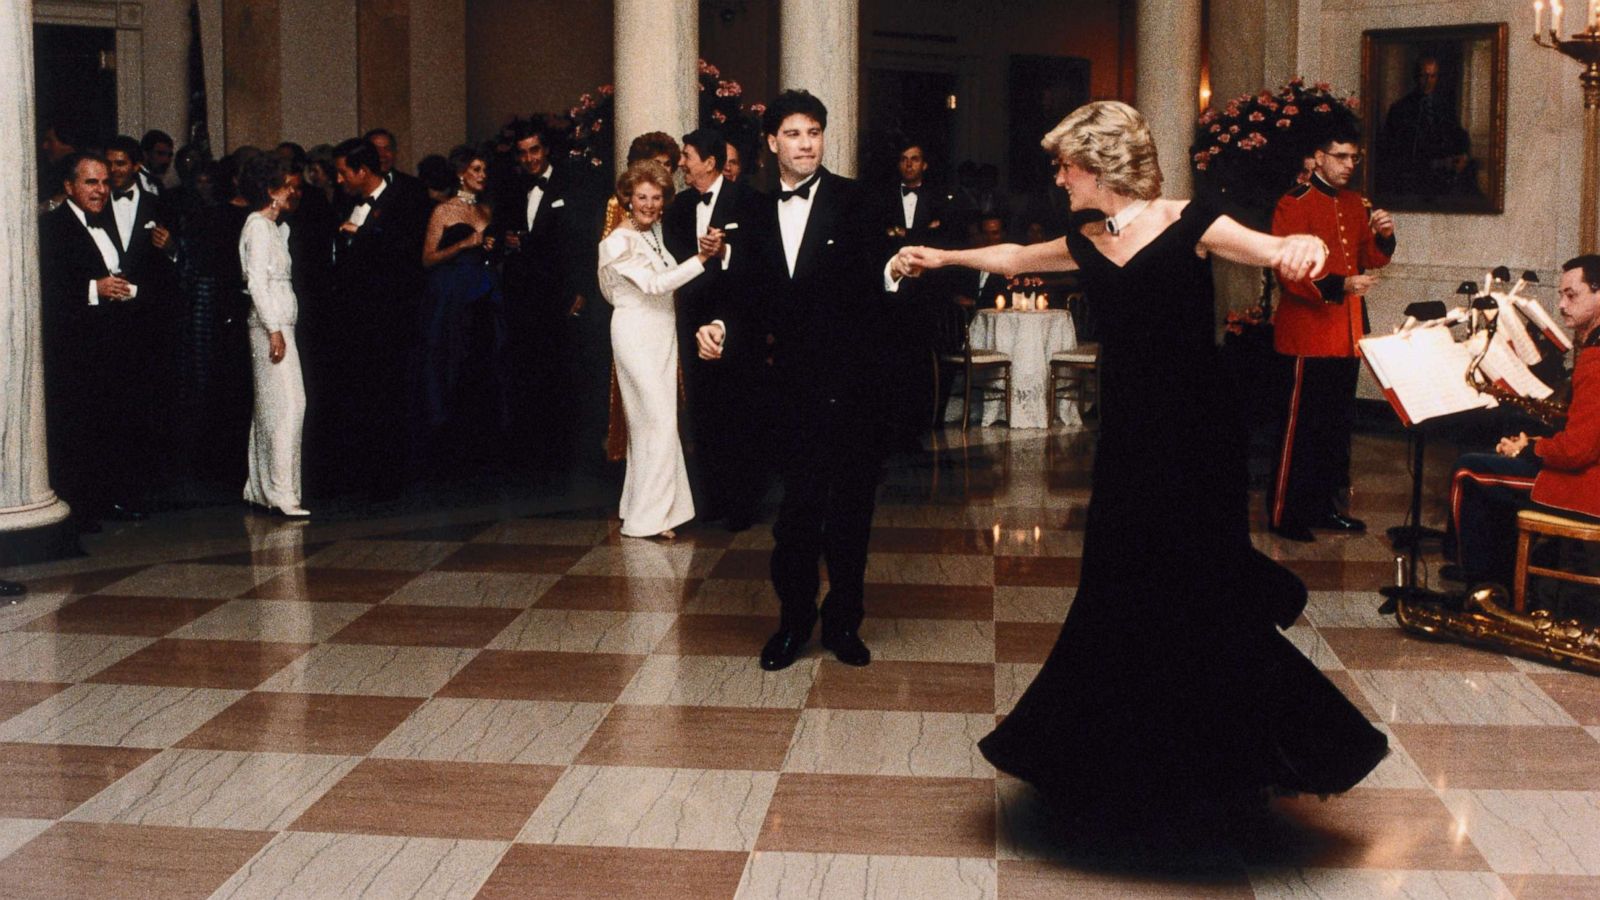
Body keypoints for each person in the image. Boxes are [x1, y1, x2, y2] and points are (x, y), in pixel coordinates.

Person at [900, 100, 1387, 819]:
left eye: (1065, 165)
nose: (1059, 178)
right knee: (1119, 584)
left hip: (1196, 434)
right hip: (1128, 437)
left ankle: (1223, 752)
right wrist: (941, 257)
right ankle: (1120, 755)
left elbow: (1269, 247)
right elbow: (1011, 258)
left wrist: (1303, 250)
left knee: (1197, 584)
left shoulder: (1191, 220)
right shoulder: (1085, 236)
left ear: (1097, 164)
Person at [694, 89, 907, 671]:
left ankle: (844, 623)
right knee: (795, 517)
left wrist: (892, 272)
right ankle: (792, 623)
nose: (805, 143)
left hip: (852, 387)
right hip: (785, 390)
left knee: (849, 512)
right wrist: (718, 326)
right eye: (793, 133)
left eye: (813, 131)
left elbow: (878, 279)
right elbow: (743, 301)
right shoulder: (754, 213)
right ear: (771, 142)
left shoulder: (857, 201)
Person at [1268, 125, 1396, 542]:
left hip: (1346, 332)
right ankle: (1284, 514)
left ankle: (1323, 507)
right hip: (1307, 332)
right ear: (1318, 157)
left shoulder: (1355, 203)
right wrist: (1339, 285)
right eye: (1341, 156)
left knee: (1333, 429)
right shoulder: (1294, 202)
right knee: (1299, 429)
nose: (1349, 165)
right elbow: (1288, 269)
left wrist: (1385, 236)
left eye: (1353, 158)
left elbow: (1369, 257)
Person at [1446, 255, 1600, 586]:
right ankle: (1507, 580)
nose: (1561, 304)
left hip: (1591, 486)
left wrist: (1530, 449)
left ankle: (1484, 590)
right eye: (1561, 294)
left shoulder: (1597, 358)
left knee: (1469, 471)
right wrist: (1530, 444)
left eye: (1572, 295)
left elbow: (1578, 451)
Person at [600, 160, 723, 538]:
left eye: (656, 197)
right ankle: (647, 520)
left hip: (660, 334)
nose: (650, 204)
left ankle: (651, 510)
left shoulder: (652, 233)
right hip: (636, 334)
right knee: (654, 421)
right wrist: (702, 259)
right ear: (627, 197)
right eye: (642, 197)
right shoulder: (617, 241)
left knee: (655, 422)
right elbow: (655, 285)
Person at [664, 126, 770, 530]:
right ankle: (713, 499)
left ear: (709, 163)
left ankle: (745, 503)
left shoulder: (751, 202)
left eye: (687, 156)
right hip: (694, 322)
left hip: (740, 322)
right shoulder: (678, 207)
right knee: (705, 413)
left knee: (741, 412)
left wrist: (724, 251)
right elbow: (675, 259)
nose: (682, 163)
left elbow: (762, 262)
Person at [38, 153, 148, 530]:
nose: (101, 189)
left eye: (104, 182)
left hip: (108, 342)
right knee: (76, 426)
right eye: (91, 182)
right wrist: (94, 288)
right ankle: (77, 507)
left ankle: (104, 500)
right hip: (73, 347)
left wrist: (122, 290)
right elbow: (46, 287)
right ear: (69, 187)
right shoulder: (53, 227)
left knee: (107, 423)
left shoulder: (105, 225)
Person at [330, 137, 431, 501]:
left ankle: (390, 478)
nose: (339, 180)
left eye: (343, 173)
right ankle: (360, 473)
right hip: (354, 323)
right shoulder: (343, 201)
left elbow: (410, 255)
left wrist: (367, 237)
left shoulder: (406, 199)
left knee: (390, 397)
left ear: (363, 171)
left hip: (391, 322)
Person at [238, 155, 309, 518]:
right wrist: (273, 329)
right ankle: (281, 491)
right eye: (286, 186)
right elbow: (257, 283)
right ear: (270, 191)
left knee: (271, 406)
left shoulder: (274, 227)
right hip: (272, 325)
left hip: (282, 323)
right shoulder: (257, 227)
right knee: (289, 406)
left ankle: (259, 487)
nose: (293, 192)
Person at [420, 144, 508, 432]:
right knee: (452, 355)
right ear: (461, 174)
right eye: (476, 170)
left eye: (485, 170)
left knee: (486, 354)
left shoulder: (485, 209)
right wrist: (462, 244)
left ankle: (483, 424)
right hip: (453, 292)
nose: (483, 175)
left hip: (484, 290)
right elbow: (428, 258)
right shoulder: (444, 210)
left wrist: (490, 247)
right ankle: (450, 425)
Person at [1380, 56, 1474, 198]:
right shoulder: (1400, 108)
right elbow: (1392, 149)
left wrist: (1463, 156)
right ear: (1416, 77)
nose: (1428, 81)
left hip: (1441, 178)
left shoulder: (1445, 107)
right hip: (1412, 178)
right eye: (1424, 76)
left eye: (1432, 76)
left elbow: (1459, 135)